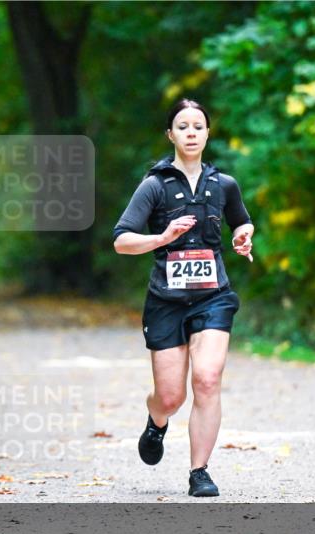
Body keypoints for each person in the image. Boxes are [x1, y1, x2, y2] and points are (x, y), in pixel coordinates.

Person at [112, 99, 255, 497]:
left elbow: (241, 220)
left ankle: (200, 471)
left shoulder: (224, 184)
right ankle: (156, 421)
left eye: (198, 126)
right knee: (171, 396)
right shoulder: (154, 185)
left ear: (208, 134)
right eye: (183, 126)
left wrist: (244, 235)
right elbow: (121, 240)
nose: (191, 133)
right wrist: (161, 238)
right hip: (166, 300)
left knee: (207, 380)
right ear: (170, 135)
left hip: (213, 297)